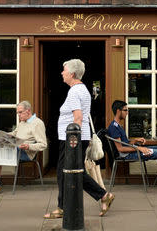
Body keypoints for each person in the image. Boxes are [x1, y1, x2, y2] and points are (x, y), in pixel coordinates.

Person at [44, 59, 114, 219]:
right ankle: (103, 196)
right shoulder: (81, 90)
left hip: (71, 140)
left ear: (72, 74)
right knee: (72, 172)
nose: (62, 73)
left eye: (64, 70)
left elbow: (78, 117)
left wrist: (73, 144)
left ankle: (64, 207)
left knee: (67, 172)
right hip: (76, 139)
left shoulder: (75, 91)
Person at [107, 100, 157, 194]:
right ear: (118, 111)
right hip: (127, 155)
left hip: (132, 151)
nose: (127, 112)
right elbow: (120, 149)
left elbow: (125, 143)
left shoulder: (118, 125)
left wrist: (135, 140)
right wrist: (138, 148)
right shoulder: (113, 127)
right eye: (125, 110)